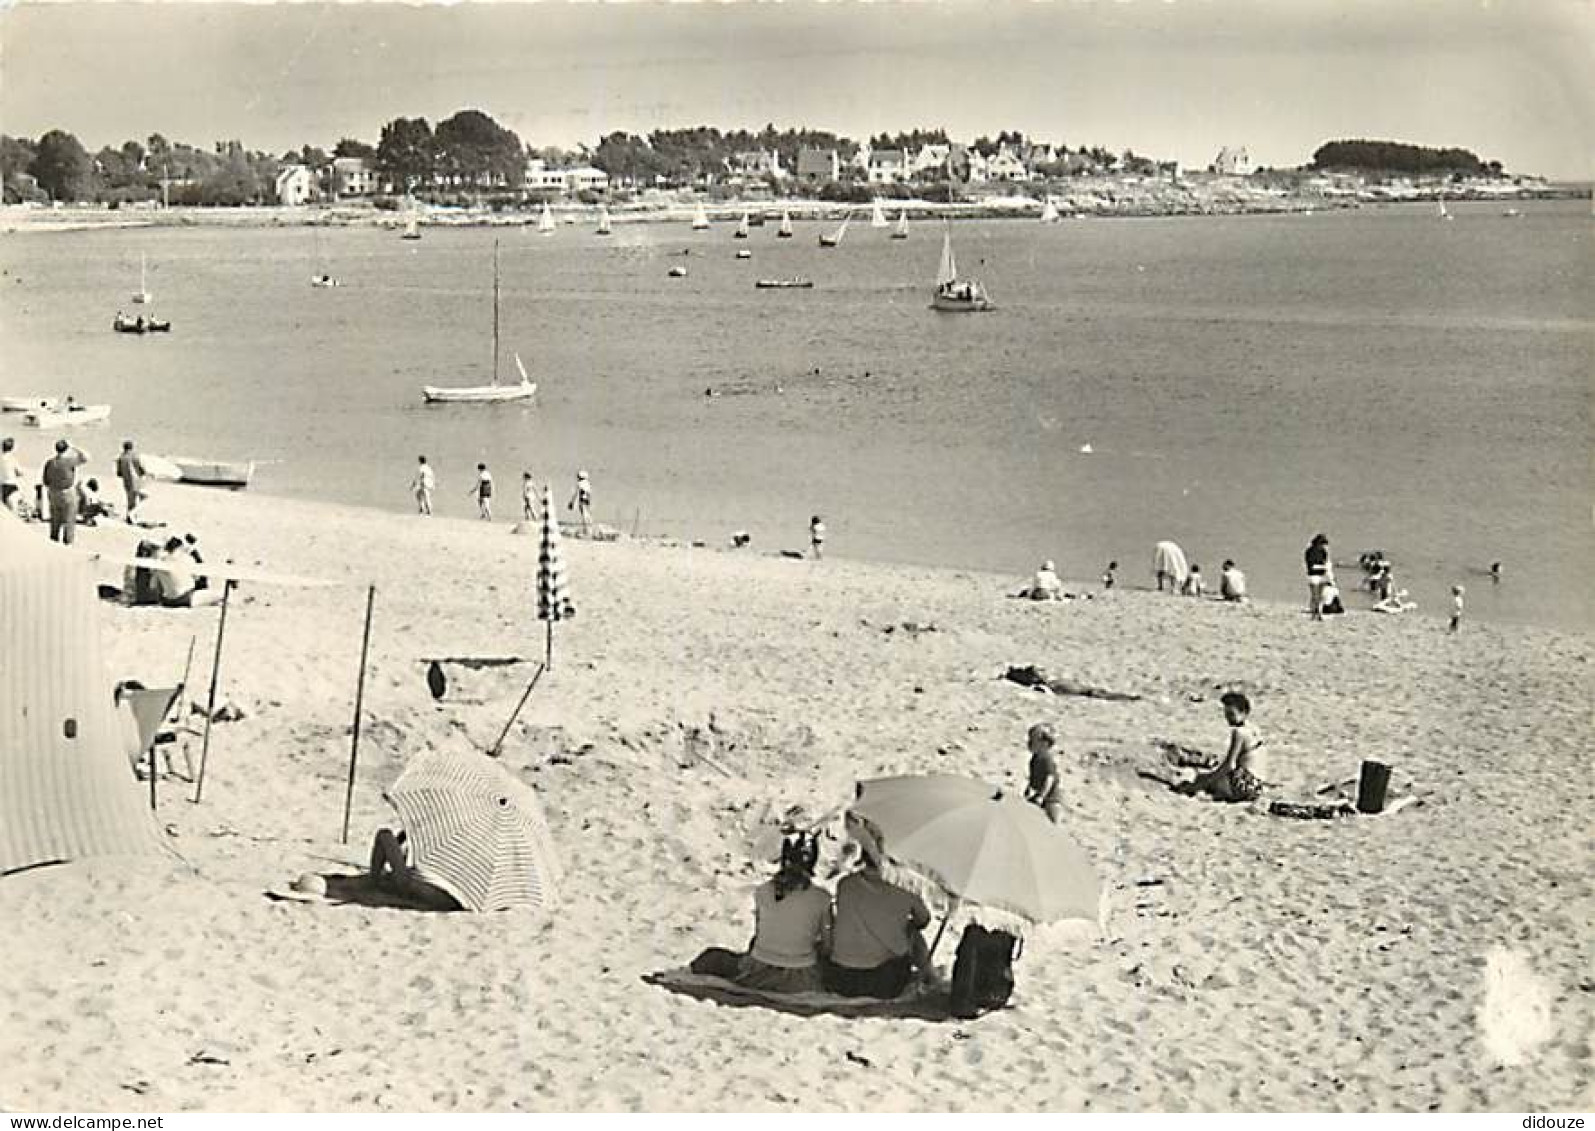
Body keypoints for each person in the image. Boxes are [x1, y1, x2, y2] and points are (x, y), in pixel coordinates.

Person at [691, 833, 833, 993]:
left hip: (758, 969)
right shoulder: (822, 897)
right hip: (801, 977)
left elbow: (759, 932)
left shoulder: (762, 891)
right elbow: (828, 943)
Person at [824, 840, 931, 999]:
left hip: (841, 979)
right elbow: (923, 921)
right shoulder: (907, 891)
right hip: (883, 983)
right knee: (912, 930)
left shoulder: (845, 884)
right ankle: (928, 976)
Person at [1180, 691, 1268, 803]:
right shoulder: (1254, 729)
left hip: (1244, 786)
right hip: (1258, 786)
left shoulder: (1239, 732)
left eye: (1231, 714)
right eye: (1226, 714)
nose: (1228, 718)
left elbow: (1229, 765)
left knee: (1203, 779)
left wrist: (1199, 785)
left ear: (1244, 712)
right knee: (1208, 776)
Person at [368, 827, 463, 911]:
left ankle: (375, 876)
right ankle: (376, 875)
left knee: (384, 834)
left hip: (427, 887)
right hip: (450, 896)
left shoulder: (435, 841)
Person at [41, 439, 89, 544]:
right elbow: (85, 457)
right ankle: (68, 542)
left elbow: (45, 480)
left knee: (55, 519)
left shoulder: (50, 462)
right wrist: (74, 447)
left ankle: (54, 539)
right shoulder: (69, 461)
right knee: (69, 518)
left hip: (53, 492)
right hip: (67, 491)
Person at [154, 538, 223, 607]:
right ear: (180, 548)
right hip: (186, 599)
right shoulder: (187, 559)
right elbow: (198, 577)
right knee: (219, 595)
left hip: (166, 600)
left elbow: (153, 585)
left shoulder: (160, 561)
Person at [1023, 722, 1063, 822]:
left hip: (1051, 800)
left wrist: (1041, 796)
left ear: (1044, 743)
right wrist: (1029, 788)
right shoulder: (1034, 758)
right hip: (1037, 795)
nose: (1029, 743)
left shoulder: (1046, 758)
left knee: (1051, 825)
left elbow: (1050, 779)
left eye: (1033, 740)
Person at [115, 440, 146, 522]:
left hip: (126, 481)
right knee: (143, 497)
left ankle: (130, 517)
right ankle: (132, 515)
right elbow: (141, 469)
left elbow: (118, 473)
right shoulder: (135, 456)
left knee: (130, 500)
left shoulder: (120, 458)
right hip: (136, 480)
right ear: (132, 447)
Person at [1304, 533, 1332, 620]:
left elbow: (1324, 562)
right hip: (1314, 575)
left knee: (1319, 596)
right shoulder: (1311, 551)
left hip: (1319, 574)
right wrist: (1324, 568)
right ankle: (1316, 613)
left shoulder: (1320, 551)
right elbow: (1311, 564)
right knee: (1316, 595)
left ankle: (1316, 613)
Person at [0, 436, 20, 512]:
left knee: (5, 509)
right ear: (12, 448)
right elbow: (20, 472)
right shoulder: (12, 458)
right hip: (11, 485)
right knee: (13, 509)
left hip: (2, 485)